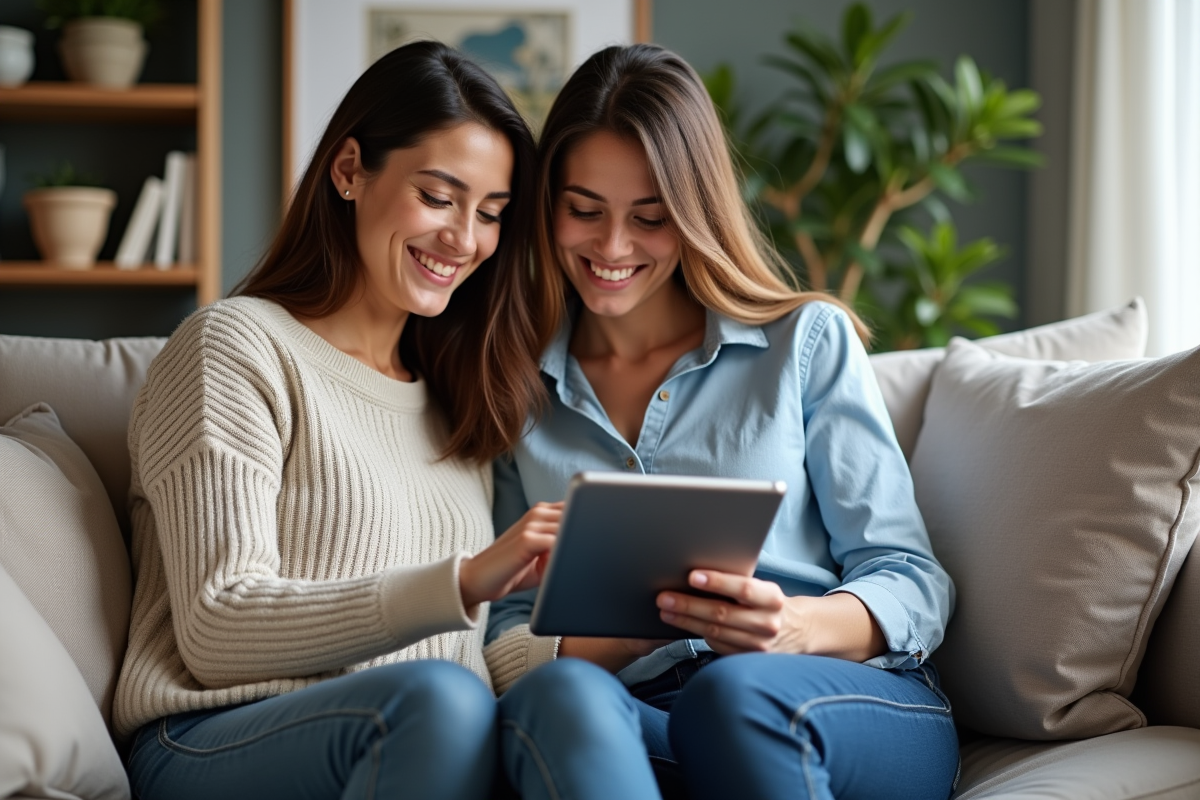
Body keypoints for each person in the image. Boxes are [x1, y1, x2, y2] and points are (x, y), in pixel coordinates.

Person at [484, 44, 960, 800]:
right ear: (547, 206)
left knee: (732, 694)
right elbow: (507, 622)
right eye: (584, 210)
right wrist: (622, 635)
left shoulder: (804, 342)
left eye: (650, 218)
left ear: (695, 211)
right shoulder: (516, 386)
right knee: (553, 701)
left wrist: (795, 627)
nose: (612, 248)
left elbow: (909, 576)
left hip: (838, 700)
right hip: (647, 717)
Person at [113, 41, 564, 800]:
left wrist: (610, 638)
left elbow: (473, 662)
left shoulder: (458, 398)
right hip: (211, 736)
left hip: (420, 730)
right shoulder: (236, 346)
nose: (464, 239)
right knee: (440, 703)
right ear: (350, 170)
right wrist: (460, 581)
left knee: (553, 708)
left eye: (491, 214)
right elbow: (217, 626)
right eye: (438, 196)